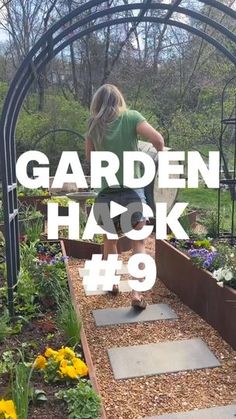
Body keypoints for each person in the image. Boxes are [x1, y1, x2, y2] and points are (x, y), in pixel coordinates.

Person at [85, 84, 164, 309]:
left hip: (106, 194)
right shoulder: (131, 117)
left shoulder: (93, 124)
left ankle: (112, 282)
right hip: (132, 191)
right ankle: (137, 294)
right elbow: (157, 140)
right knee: (139, 242)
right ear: (119, 99)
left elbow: (90, 158)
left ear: (97, 103)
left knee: (110, 241)